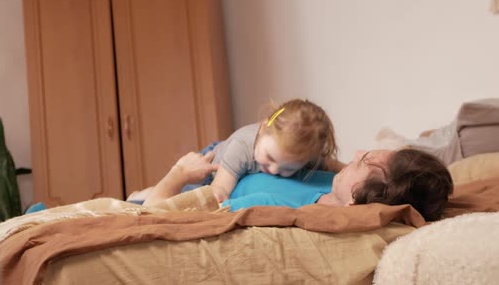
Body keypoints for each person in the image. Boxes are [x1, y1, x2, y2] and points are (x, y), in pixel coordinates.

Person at [144, 148, 454, 222]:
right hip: (220, 163)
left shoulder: (272, 209)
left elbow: (154, 214)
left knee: (135, 201)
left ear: (356, 201)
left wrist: (178, 173)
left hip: (183, 187)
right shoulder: (329, 183)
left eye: (364, 161)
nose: (356, 153)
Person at [205, 98, 345, 202]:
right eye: (270, 158)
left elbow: (331, 165)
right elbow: (221, 186)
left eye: (289, 169)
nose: (274, 170)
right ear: (264, 126)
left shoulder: (301, 155)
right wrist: (218, 195)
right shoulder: (241, 147)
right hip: (209, 166)